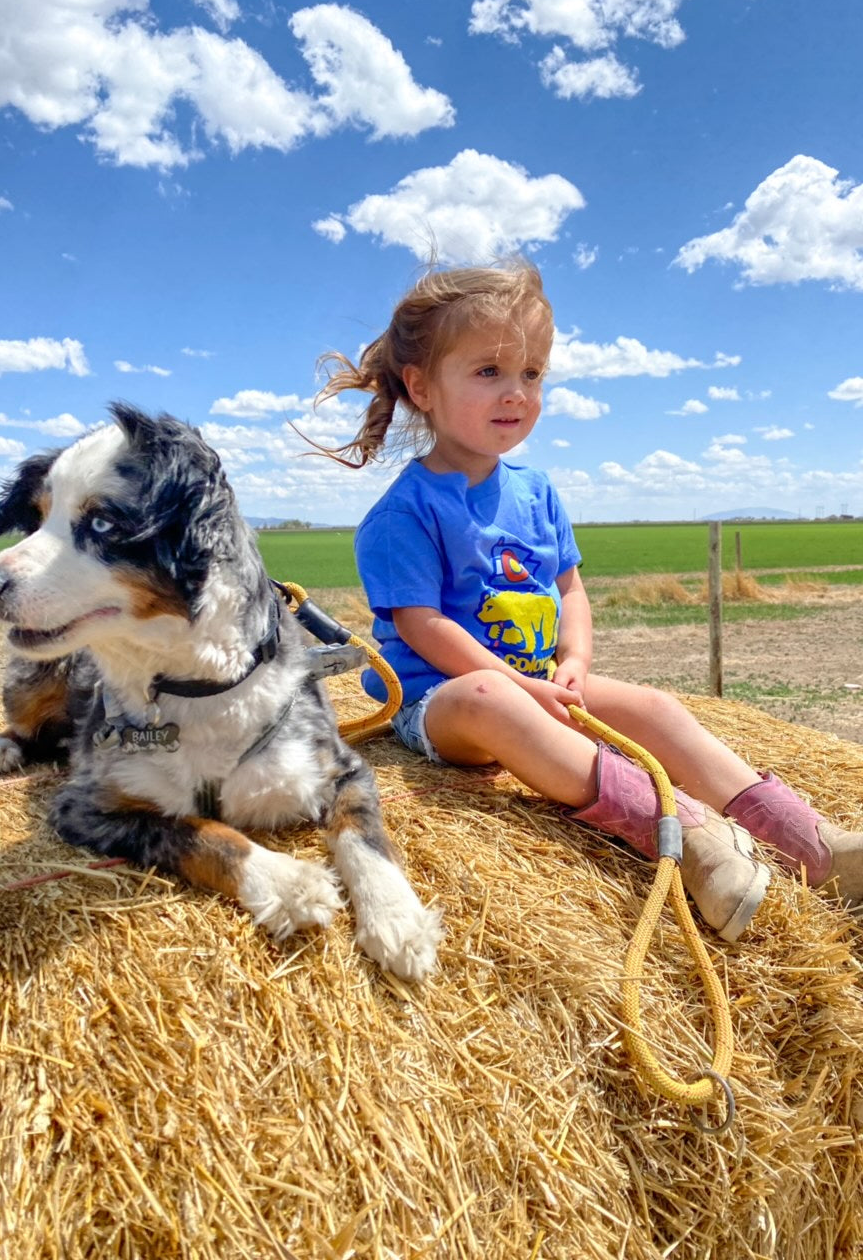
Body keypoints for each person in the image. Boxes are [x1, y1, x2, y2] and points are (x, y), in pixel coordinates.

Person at [313, 260, 863, 940]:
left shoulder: (537, 492)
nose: (516, 392)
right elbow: (422, 627)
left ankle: (810, 843)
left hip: (541, 685)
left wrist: (574, 658)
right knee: (491, 700)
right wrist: (514, 682)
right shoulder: (406, 511)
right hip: (445, 702)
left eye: (532, 374)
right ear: (422, 388)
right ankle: (686, 838)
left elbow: (569, 585)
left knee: (658, 707)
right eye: (489, 372)